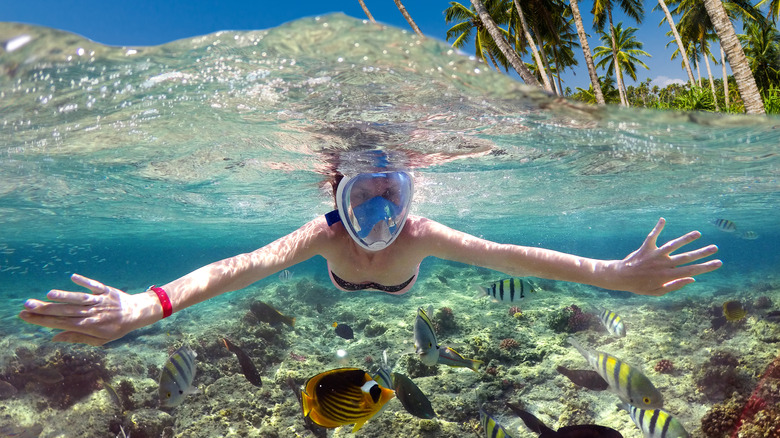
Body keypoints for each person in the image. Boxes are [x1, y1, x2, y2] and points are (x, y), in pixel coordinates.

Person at [19, 170, 722, 346]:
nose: (379, 221)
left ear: (411, 197)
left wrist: (615, 275)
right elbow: (241, 267)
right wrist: (150, 305)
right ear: (336, 196)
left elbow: (513, 255)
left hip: (402, 289)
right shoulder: (322, 235)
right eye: (363, 203)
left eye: (393, 200)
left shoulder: (420, 236)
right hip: (342, 285)